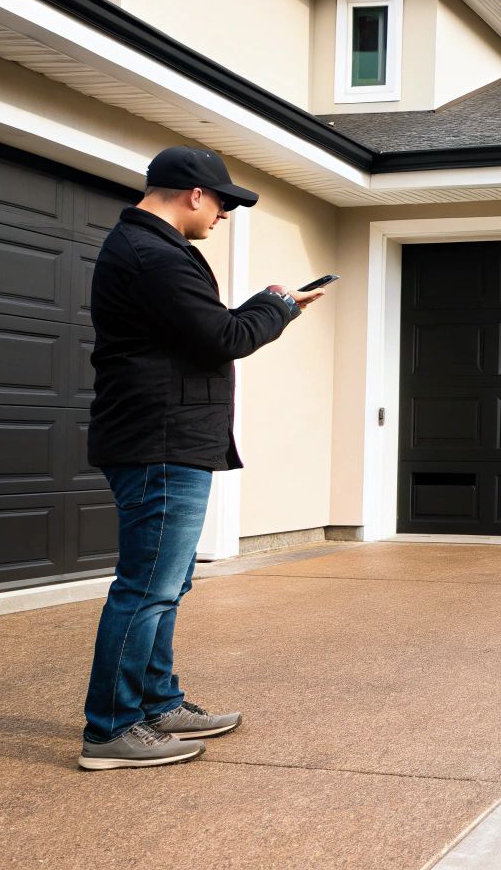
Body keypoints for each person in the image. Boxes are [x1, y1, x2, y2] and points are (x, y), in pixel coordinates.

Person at [77, 146, 325, 771]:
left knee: (167, 584)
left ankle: (157, 704)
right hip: (160, 442)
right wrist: (277, 306)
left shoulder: (152, 251)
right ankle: (110, 730)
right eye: (223, 203)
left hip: (168, 439)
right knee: (146, 589)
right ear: (193, 193)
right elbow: (225, 338)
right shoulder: (153, 254)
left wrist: (271, 305)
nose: (223, 215)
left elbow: (203, 335)